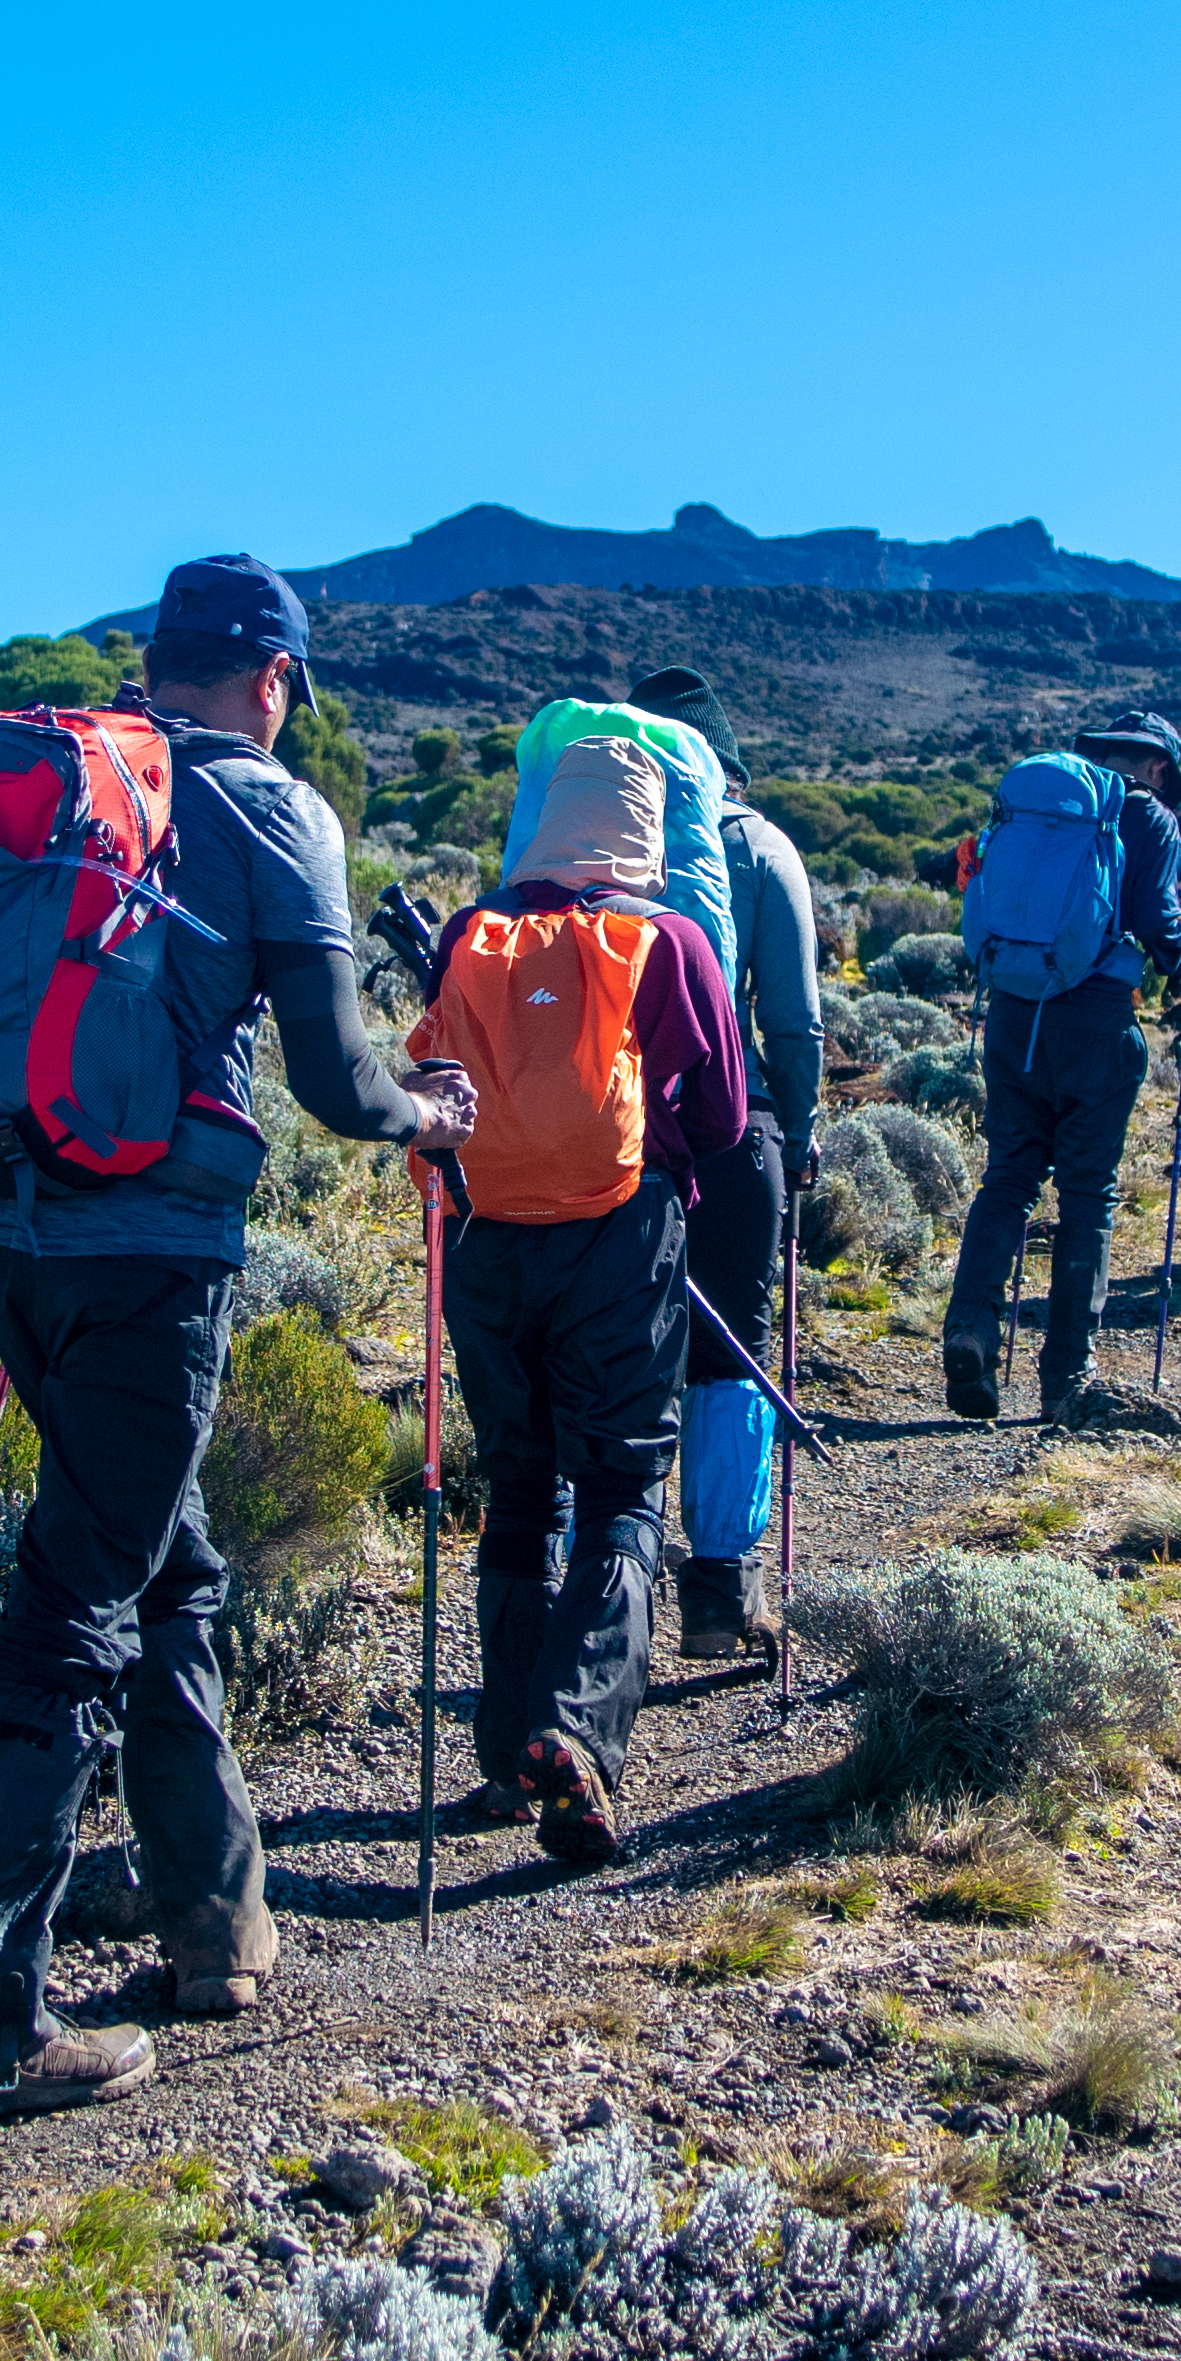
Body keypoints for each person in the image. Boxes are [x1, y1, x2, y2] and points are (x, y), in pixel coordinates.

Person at [0, 554, 470, 2125]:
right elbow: (338, 1085)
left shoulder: (72, 779)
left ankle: (215, 1919)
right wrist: (427, 1112)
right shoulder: (278, 810)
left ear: (157, 666)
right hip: (149, 1248)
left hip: (0, 1228)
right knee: (82, 1598)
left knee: (167, 1559)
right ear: (276, 680)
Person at [415, 731, 754, 1871]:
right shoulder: (670, 941)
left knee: (518, 1485)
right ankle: (577, 1736)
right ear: (651, 830)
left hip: (487, 1242)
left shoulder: (475, 933)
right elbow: (719, 1114)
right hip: (619, 1239)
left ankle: (508, 1744)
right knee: (618, 1486)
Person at [939, 709, 1181, 1424]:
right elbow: (1157, 925)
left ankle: (969, 1330)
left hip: (1013, 1011)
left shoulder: (1041, 806)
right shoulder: (1147, 816)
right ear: (1159, 767)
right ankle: (1065, 1377)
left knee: (1009, 1178)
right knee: (1087, 1194)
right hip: (1096, 1021)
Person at [630, 663, 815, 1654]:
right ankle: (719, 1590)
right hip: (731, 1126)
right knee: (732, 1348)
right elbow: (793, 1023)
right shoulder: (760, 846)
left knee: (612, 1344)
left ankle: (599, 1591)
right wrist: (804, 1125)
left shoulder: (583, 840)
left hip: (605, 1133)